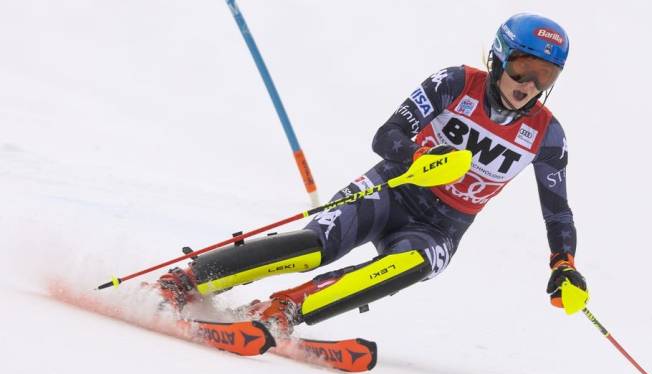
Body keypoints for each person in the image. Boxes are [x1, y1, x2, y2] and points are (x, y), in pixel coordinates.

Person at [157, 12, 587, 336]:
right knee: (315, 247)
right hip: (392, 189)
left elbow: (558, 213)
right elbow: (388, 135)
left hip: (441, 227)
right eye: (522, 68)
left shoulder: (547, 136)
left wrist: (563, 265)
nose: (528, 84)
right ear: (498, 57)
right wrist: (418, 157)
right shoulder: (454, 83)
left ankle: (283, 309)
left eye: (544, 76)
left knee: (411, 264)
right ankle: (188, 279)